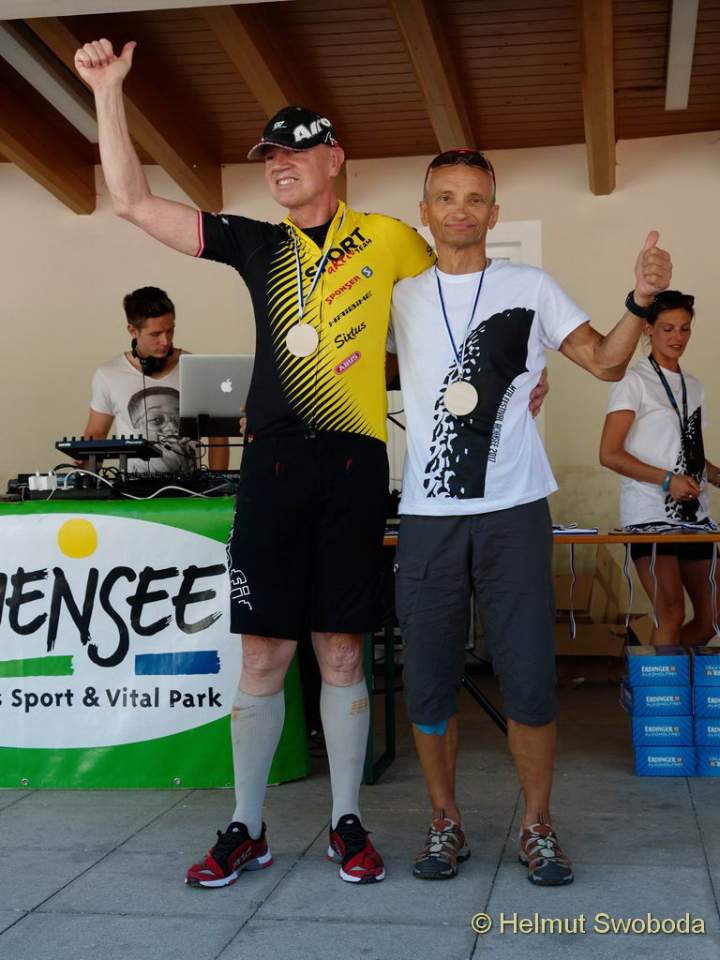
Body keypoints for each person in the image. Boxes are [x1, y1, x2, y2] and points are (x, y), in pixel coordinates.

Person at [74, 40, 547, 889]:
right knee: (263, 653)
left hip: (356, 465)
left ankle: (345, 823)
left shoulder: (391, 239)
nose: (279, 165)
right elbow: (133, 201)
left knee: (340, 650)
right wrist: (110, 93)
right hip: (275, 467)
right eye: (269, 155)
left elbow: (473, 298)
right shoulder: (257, 242)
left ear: (335, 158)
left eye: (295, 150)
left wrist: (521, 376)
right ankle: (246, 826)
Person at [388, 149, 672, 886]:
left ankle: (538, 826)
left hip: (513, 510)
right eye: (445, 197)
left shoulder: (530, 286)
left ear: (494, 213)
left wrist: (641, 301)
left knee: (530, 678)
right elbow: (347, 371)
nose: (460, 210)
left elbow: (606, 362)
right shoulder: (399, 296)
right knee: (427, 678)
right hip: (427, 514)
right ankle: (444, 821)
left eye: (474, 198)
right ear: (425, 211)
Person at [600, 290, 720, 646]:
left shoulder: (693, 386)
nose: (677, 337)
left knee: (713, 618)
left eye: (684, 329)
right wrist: (667, 480)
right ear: (648, 329)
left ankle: (658, 669)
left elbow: (690, 455)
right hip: (649, 515)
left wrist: (715, 474)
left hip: (695, 518)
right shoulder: (633, 381)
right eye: (667, 328)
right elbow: (609, 453)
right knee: (670, 613)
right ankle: (658, 680)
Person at [83, 286, 228, 473]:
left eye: (170, 331)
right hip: (132, 489)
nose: (166, 341)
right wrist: (87, 471)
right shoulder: (108, 374)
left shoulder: (196, 369)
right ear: (132, 330)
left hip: (191, 488)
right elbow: (97, 432)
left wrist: (217, 483)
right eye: (155, 334)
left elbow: (218, 437)